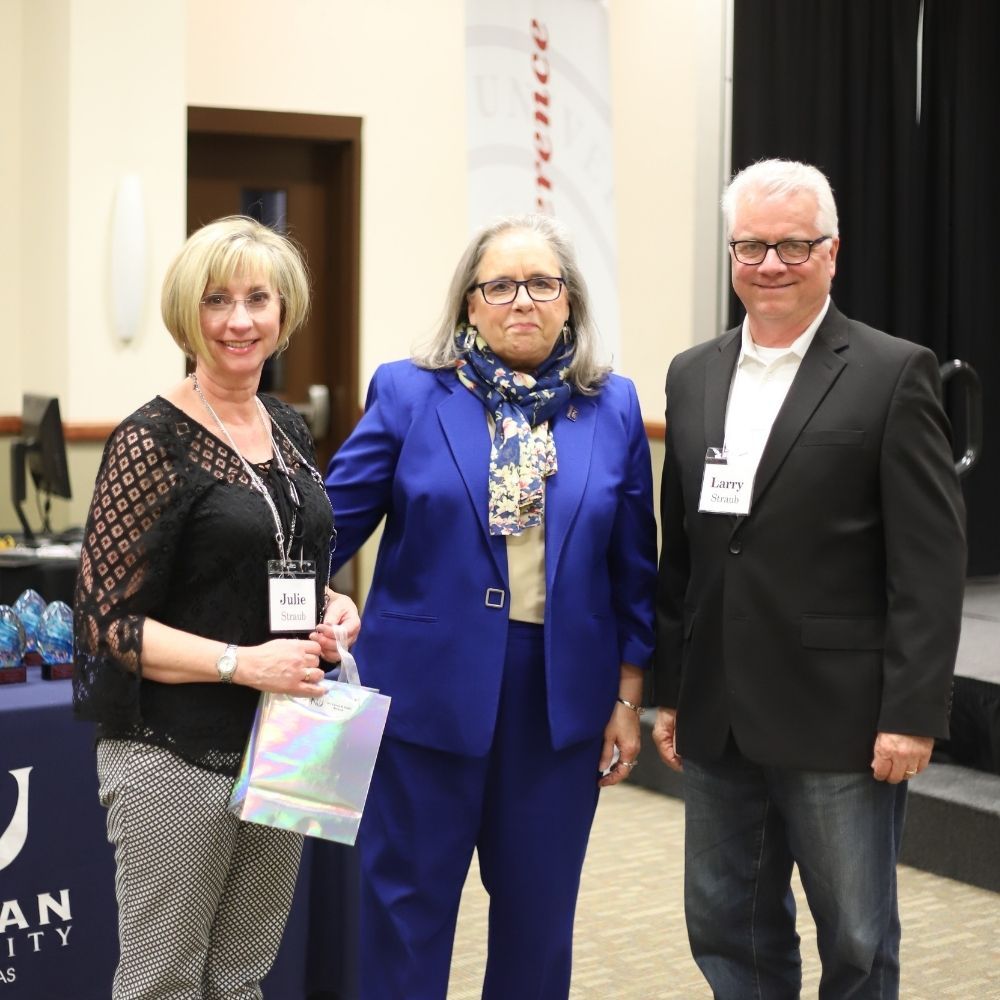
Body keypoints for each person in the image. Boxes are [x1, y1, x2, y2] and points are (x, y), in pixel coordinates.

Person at [651, 158, 966, 999]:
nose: (770, 264)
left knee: (857, 939)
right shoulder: (693, 373)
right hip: (720, 713)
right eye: (751, 246)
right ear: (731, 253)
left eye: (793, 245)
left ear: (832, 251)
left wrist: (912, 713)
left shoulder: (894, 371)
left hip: (842, 719)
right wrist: (674, 689)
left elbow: (929, 563)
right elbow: (685, 553)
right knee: (726, 927)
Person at [323, 213, 657, 999]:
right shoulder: (410, 392)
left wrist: (627, 696)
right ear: (469, 304)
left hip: (558, 705)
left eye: (542, 284)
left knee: (538, 930)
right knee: (404, 916)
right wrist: (307, 606)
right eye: (500, 286)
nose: (522, 301)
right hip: (421, 699)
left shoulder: (612, 406)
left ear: (569, 301)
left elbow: (633, 570)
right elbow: (323, 528)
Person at [73, 215, 360, 1000]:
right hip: (173, 751)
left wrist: (333, 604)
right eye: (217, 301)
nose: (239, 320)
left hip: (286, 739)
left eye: (257, 299)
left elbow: (269, 559)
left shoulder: (287, 426)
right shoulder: (150, 440)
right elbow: (105, 623)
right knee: (164, 982)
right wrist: (242, 664)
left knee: (240, 976)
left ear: (282, 310)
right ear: (187, 313)